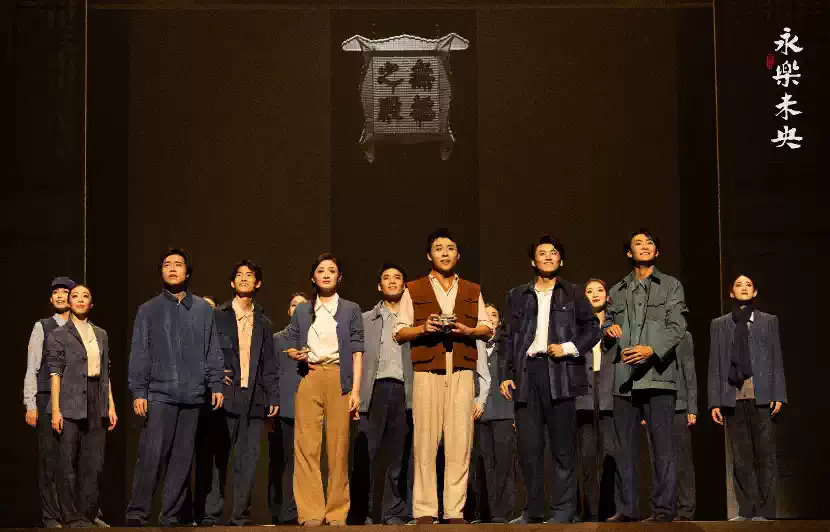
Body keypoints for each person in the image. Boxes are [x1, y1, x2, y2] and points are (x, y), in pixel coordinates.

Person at [394, 228, 494, 524]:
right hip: (427, 370)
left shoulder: (472, 290)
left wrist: (468, 330)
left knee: (460, 442)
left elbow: (487, 328)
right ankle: (425, 509)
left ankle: (454, 511)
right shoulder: (414, 289)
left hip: (461, 368)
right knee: (425, 441)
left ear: (458, 254)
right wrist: (423, 328)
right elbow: (399, 331)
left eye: (450, 248)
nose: (445, 253)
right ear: (429, 255)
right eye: (439, 248)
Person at [499, 235, 600, 524]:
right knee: (529, 448)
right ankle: (533, 510)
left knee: (563, 447)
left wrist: (568, 347)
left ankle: (563, 511)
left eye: (553, 252)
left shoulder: (573, 293)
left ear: (561, 260)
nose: (547, 256)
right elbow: (506, 337)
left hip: (560, 373)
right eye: (542, 253)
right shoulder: (517, 295)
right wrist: (505, 375)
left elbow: (593, 329)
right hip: (527, 373)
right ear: (533, 260)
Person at [125, 248, 225, 526]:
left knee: (182, 459)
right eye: (167, 264)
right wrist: (139, 391)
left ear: (187, 272)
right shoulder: (148, 309)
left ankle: (170, 515)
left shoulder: (203, 309)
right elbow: (140, 352)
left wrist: (216, 383)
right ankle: (137, 513)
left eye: (178, 264)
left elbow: (212, 349)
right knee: (152, 455)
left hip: (192, 394)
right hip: (159, 394)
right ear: (161, 271)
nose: (172, 268)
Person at [605, 229, 687, 523]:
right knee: (624, 449)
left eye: (649, 242)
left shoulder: (671, 286)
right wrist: (607, 329)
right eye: (637, 243)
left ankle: (663, 510)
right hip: (624, 379)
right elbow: (606, 323)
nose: (644, 246)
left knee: (663, 447)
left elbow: (677, 327)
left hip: (658, 376)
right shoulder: (617, 290)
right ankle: (626, 509)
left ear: (657, 252)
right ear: (629, 253)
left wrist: (652, 349)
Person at [196, 261, 279, 525]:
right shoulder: (217, 316)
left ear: (258, 283)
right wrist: (213, 375)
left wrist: (273, 396)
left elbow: (269, 363)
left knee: (248, 462)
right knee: (217, 459)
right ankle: (210, 516)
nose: (244, 278)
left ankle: (240, 518)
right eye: (239, 275)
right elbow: (202, 350)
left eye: (250, 275)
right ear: (232, 283)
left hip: (254, 398)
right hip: (223, 396)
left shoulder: (264, 323)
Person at [283, 254, 364, 526]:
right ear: (313, 277)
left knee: (339, 447)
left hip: (339, 377)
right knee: (306, 445)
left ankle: (337, 512)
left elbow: (357, 351)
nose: (326, 274)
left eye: (332, 270)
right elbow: (290, 342)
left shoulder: (351, 309)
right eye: (321, 270)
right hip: (310, 375)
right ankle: (310, 512)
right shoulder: (302, 310)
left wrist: (355, 391)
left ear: (339, 277)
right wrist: (295, 353)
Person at [709, 274, 786, 521]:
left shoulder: (768, 321)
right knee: (740, 457)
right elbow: (715, 363)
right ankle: (747, 510)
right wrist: (715, 401)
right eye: (739, 284)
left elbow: (776, 358)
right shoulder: (719, 324)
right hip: (733, 396)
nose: (744, 287)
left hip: (761, 395)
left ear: (755, 293)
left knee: (765, 454)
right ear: (731, 293)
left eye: (749, 285)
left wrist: (778, 394)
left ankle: (766, 511)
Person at [47, 284, 118, 528]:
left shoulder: (101, 334)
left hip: (96, 398)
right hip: (69, 399)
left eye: (85, 296)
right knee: (67, 461)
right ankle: (71, 516)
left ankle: (88, 513)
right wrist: (55, 410)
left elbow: (106, 372)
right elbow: (55, 373)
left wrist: (111, 405)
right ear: (69, 303)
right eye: (74, 296)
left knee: (94, 462)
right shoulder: (58, 334)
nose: (79, 299)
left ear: (91, 303)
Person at [351, 264, 415, 525]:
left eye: (397, 277)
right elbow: (354, 357)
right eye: (386, 278)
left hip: (403, 391)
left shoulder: (414, 320)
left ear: (404, 285)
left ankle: (394, 512)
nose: (392, 281)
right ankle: (361, 513)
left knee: (398, 455)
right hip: (373, 390)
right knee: (365, 453)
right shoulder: (365, 319)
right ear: (379, 286)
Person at [23, 276, 76, 528]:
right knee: (49, 460)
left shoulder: (81, 327)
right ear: (51, 298)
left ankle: (76, 514)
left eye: (65, 291)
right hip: (46, 398)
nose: (60, 296)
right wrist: (30, 404)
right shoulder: (42, 326)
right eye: (56, 292)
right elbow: (32, 367)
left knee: (73, 460)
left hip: (74, 399)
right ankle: (51, 516)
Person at [468, 303, 515, 524]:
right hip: (478, 413)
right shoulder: (471, 346)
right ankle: (483, 512)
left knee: (504, 463)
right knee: (481, 464)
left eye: (494, 314)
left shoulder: (507, 345)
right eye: (485, 314)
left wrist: (516, 413)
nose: (490, 317)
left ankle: (502, 513)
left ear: (499, 320)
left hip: (504, 410)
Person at [576, 279, 617, 522]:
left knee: (611, 455)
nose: (595, 294)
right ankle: (590, 513)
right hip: (584, 396)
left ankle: (610, 511)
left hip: (610, 394)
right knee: (588, 457)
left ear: (607, 296)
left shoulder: (618, 323)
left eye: (600, 290)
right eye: (589, 291)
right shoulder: (577, 325)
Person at [269, 292, 308, 525]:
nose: (298, 309)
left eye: (303, 305)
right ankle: (279, 513)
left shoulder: (317, 340)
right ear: (288, 310)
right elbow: (269, 374)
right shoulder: (276, 340)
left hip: (309, 410)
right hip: (282, 410)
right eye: (294, 305)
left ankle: (297, 512)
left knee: (304, 464)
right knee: (280, 462)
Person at [673, 332, 697, 521]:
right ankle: (664, 509)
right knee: (659, 461)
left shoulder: (683, 336)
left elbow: (689, 371)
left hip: (679, 405)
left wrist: (692, 407)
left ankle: (686, 509)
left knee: (682, 460)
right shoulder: (646, 332)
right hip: (653, 405)